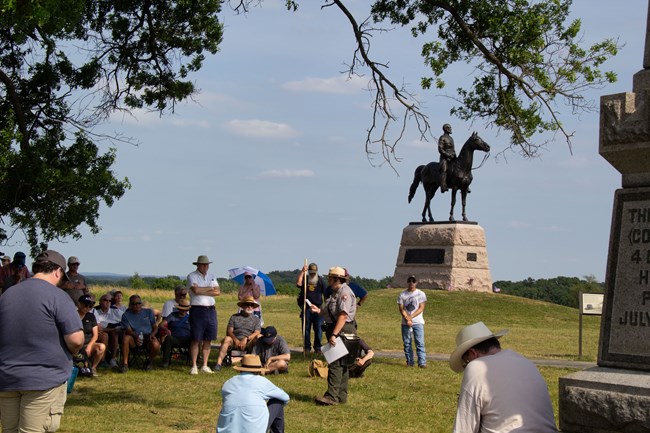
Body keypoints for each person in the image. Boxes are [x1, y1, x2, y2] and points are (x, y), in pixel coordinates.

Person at [0, 250, 84, 433]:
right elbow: (76, 340)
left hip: (7, 378)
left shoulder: (7, 295)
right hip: (43, 379)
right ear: (57, 271)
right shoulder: (59, 297)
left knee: (9, 430)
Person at [449, 321, 558, 433]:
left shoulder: (476, 367)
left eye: (466, 361)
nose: (467, 365)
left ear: (472, 353)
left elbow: (464, 427)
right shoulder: (525, 362)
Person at [310, 266, 357, 406]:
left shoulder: (344, 293)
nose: (328, 279)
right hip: (337, 328)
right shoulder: (335, 293)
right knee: (342, 364)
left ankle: (331, 396)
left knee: (335, 363)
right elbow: (329, 312)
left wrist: (335, 334)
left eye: (330, 277)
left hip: (341, 329)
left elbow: (343, 316)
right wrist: (318, 310)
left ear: (337, 279)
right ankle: (341, 396)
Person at [216, 354, 290, 433]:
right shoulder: (262, 382)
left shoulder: (228, 383)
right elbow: (285, 397)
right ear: (258, 371)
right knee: (277, 402)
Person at [187, 255, 220, 375]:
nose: (206, 267)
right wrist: (209, 289)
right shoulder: (192, 276)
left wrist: (202, 289)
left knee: (208, 338)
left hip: (211, 309)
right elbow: (195, 291)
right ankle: (194, 365)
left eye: (207, 265)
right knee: (196, 338)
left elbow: (218, 291)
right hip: (197, 309)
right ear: (198, 265)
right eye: (203, 264)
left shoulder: (212, 276)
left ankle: (205, 365)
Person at [213, 297, 262, 372]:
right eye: (247, 304)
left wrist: (246, 338)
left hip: (249, 341)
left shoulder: (256, 319)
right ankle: (218, 364)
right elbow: (229, 331)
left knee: (259, 337)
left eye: (251, 305)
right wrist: (236, 340)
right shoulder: (234, 317)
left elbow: (257, 332)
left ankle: (255, 362)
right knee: (226, 339)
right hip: (234, 340)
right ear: (242, 306)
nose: (249, 306)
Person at [118, 294, 161, 373]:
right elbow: (128, 330)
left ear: (141, 303)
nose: (136, 305)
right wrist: (136, 336)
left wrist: (152, 334)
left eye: (138, 303)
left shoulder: (149, 312)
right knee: (126, 338)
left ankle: (149, 362)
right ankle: (125, 364)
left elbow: (155, 327)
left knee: (156, 344)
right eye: (134, 304)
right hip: (134, 337)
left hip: (148, 336)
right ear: (130, 305)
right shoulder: (126, 315)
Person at [397, 274, 428, 368]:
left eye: (413, 281)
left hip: (418, 322)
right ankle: (410, 362)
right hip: (405, 322)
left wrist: (411, 317)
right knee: (407, 343)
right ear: (407, 282)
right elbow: (401, 309)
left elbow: (421, 307)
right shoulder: (402, 295)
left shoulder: (421, 293)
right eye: (409, 281)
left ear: (416, 282)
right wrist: (407, 318)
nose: (411, 283)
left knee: (420, 342)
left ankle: (422, 363)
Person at [296, 262, 325, 354]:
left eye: (314, 272)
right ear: (308, 271)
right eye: (311, 272)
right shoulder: (305, 279)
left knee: (318, 329)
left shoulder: (320, 280)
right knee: (306, 328)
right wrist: (302, 271)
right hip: (307, 308)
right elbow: (298, 283)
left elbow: (326, 293)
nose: (312, 274)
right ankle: (307, 347)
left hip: (318, 308)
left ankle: (318, 347)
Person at [76, 294, 106, 377]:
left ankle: (93, 368)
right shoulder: (72, 315)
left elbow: (95, 335)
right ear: (79, 304)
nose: (88, 308)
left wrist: (89, 346)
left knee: (101, 347)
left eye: (90, 306)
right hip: (75, 343)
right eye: (86, 305)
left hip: (88, 343)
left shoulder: (91, 316)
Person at [160, 298, 192, 368]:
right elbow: (161, 324)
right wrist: (166, 329)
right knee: (168, 338)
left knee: (196, 339)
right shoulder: (172, 315)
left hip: (187, 338)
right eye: (182, 309)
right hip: (175, 338)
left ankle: (195, 361)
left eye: (185, 310)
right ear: (178, 309)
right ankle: (165, 361)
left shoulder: (190, 317)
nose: (183, 311)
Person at [93, 293, 123, 368]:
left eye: (110, 300)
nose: (108, 302)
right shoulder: (95, 312)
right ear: (100, 302)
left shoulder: (116, 312)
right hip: (100, 333)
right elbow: (98, 327)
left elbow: (127, 319)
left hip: (115, 333)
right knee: (106, 334)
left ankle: (113, 359)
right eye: (105, 300)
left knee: (114, 333)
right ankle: (102, 360)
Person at [438, 123, 456, 193]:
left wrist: (454, 155)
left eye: (450, 127)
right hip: (444, 158)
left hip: (452, 157)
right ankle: (443, 186)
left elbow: (453, 149)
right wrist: (448, 155)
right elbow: (440, 149)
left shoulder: (451, 138)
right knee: (444, 169)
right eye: (448, 127)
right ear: (445, 129)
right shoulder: (442, 137)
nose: (450, 129)